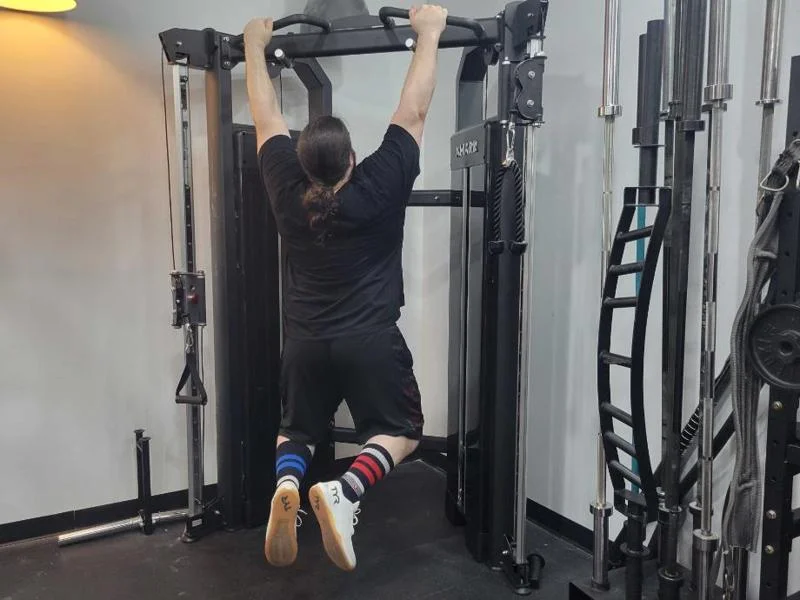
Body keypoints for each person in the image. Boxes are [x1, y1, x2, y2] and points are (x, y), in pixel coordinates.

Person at [243, 5, 448, 572]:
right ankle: (346, 491)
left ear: (303, 164)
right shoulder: (379, 184)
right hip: (370, 342)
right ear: (353, 160)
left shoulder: (286, 189)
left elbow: (266, 120)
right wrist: (428, 34)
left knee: (297, 432)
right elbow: (414, 108)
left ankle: (289, 486)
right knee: (402, 432)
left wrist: (254, 49)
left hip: (305, 343)